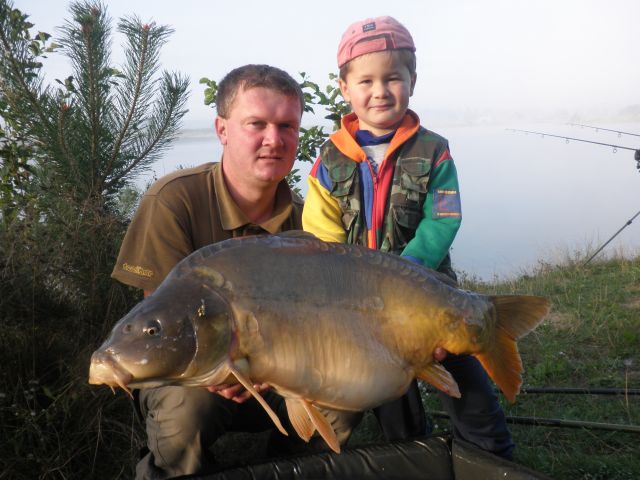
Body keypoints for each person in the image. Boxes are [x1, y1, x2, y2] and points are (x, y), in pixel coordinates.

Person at [111, 64, 356, 479]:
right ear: (222, 130)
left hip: (280, 372)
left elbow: (318, 328)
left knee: (343, 400)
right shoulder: (174, 201)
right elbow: (163, 324)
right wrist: (227, 367)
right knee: (188, 411)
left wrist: (265, 368)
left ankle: (291, 466)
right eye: (256, 124)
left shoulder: (308, 223)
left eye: (287, 126)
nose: (273, 140)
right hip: (187, 373)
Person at [302, 16, 515, 459]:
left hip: (433, 294)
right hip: (361, 306)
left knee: (470, 387)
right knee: (391, 388)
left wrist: (409, 270)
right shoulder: (328, 159)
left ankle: (491, 455)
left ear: (412, 82)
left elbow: (443, 218)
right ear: (344, 88)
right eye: (366, 80)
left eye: (392, 78)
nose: (379, 91)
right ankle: (412, 452)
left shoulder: (434, 149)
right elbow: (320, 235)